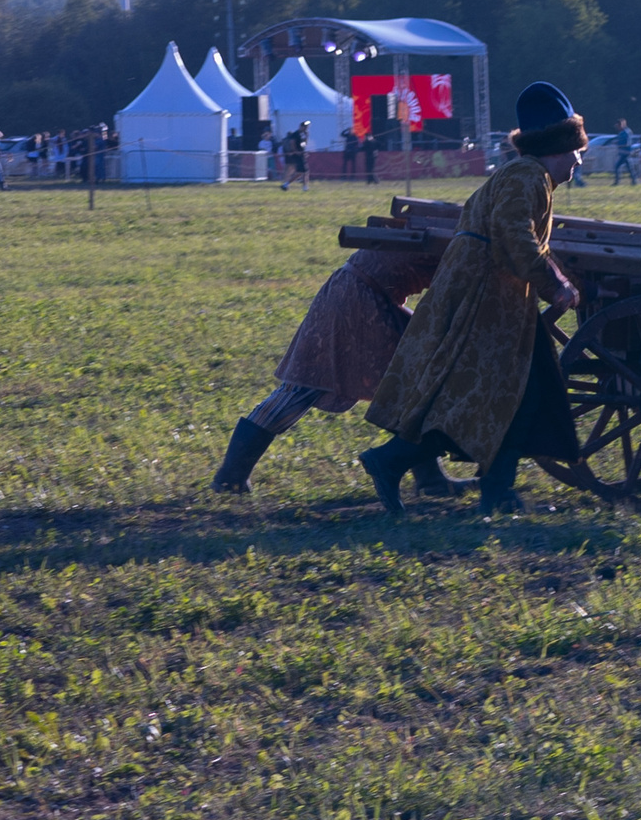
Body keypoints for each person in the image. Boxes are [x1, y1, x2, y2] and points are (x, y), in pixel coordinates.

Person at [358, 82, 588, 515]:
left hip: (493, 297)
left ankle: (495, 491)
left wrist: (553, 277)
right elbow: (515, 235)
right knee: (479, 395)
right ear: (556, 147)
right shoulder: (528, 177)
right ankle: (392, 461)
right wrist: (553, 282)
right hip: (484, 299)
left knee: (507, 394)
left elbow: (521, 237)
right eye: (574, 150)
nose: (578, 159)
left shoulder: (526, 176)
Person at [210, 247, 453, 495]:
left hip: (364, 293)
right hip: (358, 297)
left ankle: (431, 480)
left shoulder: (466, 228)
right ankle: (230, 478)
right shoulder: (469, 233)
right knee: (303, 388)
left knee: (414, 382)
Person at [278, 120, 311, 191]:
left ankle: (305, 187)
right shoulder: (296, 134)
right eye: (305, 127)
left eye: (307, 127)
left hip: (301, 154)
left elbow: (303, 145)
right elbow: (292, 142)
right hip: (297, 155)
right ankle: (286, 184)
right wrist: (296, 151)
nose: (306, 128)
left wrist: (306, 138)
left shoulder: (303, 135)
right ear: (301, 127)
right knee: (301, 172)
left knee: (305, 171)